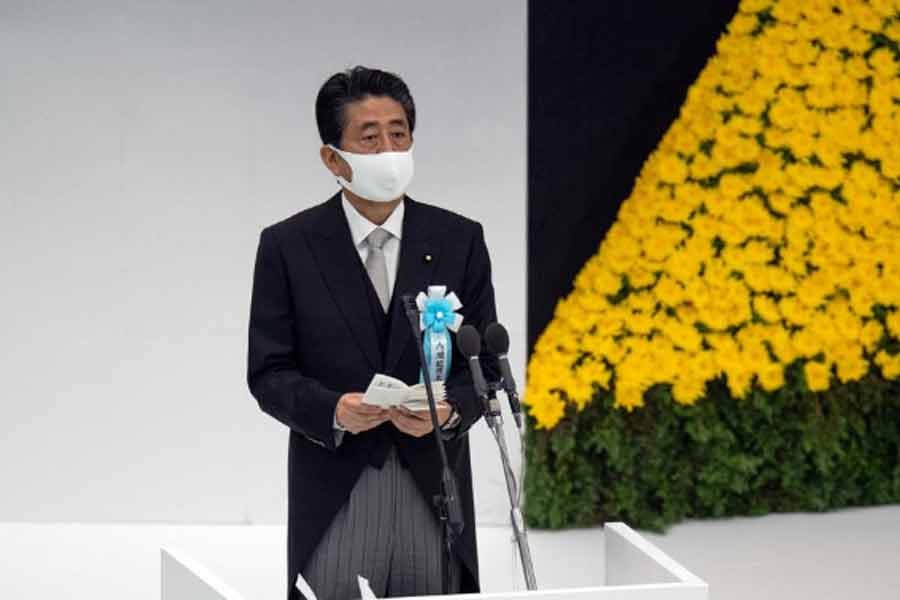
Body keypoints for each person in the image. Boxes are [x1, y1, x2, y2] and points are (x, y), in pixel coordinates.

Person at [246, 65, 499, 600]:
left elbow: (486, 366)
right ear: (332, 158)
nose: (388, 148)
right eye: (369, 136)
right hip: (337, 483)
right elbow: (269, 373)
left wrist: (449, 410)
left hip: (434, 488)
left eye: (399, 132)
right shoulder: (289, 246)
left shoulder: (460, 240)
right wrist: (334, 409)